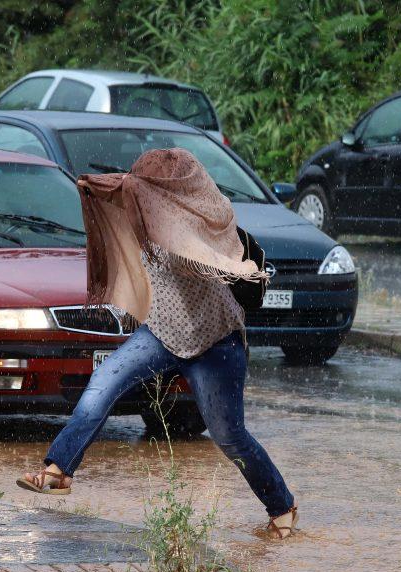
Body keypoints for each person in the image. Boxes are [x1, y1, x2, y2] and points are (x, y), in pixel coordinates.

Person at [16, 148, 298, 539]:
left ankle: (282, 506)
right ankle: (59, 471)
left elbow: (246, 284)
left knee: (229, 436)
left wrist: (246, 272)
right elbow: (115, 187)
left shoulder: (215, 229)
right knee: (102, 386)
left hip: (215, 343)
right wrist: (87, 185)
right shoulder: (139, 205)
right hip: (161, 332)